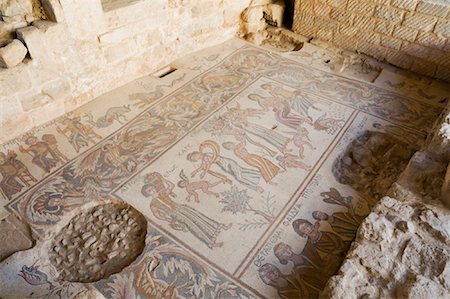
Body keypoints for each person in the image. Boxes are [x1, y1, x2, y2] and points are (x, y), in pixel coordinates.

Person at [141, 172, 230, 248]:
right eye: (149, 191)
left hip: (181, 207)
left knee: (198, 216)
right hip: (174, 213)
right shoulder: (153, 204)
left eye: (152, 188)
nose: (152, 190)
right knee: (192, 225)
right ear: (147, 194)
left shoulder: (162, 193)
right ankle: (211, 243)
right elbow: (157, 214)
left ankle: (220, 226)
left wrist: (163, 179)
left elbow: (171, 186)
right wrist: (168, 219)